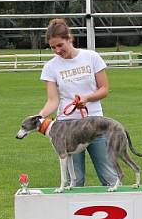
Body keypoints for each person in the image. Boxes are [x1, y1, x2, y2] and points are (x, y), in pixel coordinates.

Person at [36, 18, 118, 187]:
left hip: (94, 123)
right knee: (75, 179)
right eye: (53, 47)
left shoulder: (91, 57)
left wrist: (87, 98)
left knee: (109, 176)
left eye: (60, 45)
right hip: (67, 128)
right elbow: (53, 100)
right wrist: (39, 116)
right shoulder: (50, 67)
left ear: (70, 38)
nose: (57, 50)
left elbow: (104, 89)